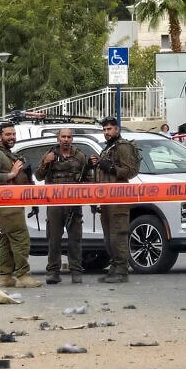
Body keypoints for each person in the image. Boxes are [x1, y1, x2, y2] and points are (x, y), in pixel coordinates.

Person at [0, 122, 41, 288]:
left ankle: (5, 276)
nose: (12, 137)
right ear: (0, 136)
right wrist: (13, 174)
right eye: (8, 134)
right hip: (6, 204)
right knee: (20, 238)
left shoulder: (7, 154)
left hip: (13, 202)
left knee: (7, 240)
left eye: (13, 134)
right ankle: (23, 276)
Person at [36, 128, 90, 284]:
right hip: (55, 204)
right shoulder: (50, 154)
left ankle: (76, 271)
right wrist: (46, 162)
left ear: (72, 139)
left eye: (69, 137)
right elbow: (39, 176)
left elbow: (87, 179)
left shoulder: (79, 156)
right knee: (54, 239)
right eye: (63, 137)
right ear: (58, 138)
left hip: (74, 204)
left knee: (75, 239)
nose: (66, 139)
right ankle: (53, 272)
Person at [91, 117, 139, 284]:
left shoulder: (123, 147)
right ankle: (114, 267)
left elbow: (131, 171)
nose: (106, 132)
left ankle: (121, 270)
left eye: (109, 129)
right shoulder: (109, 148)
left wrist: (111, 168)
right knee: (108, 237)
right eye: (104, 130)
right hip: (106, 198)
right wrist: (98, 164)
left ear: (117, 129)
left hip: (118, 197)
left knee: (118, 234)